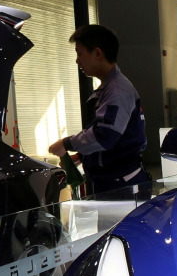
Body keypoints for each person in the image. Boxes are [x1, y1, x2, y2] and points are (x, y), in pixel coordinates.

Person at [48, 24, 151, 196]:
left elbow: (106, 135)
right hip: (112, 182)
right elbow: (117, 138)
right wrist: (82, 157)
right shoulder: (110, 88)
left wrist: (66, 144)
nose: (77, 60)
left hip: (121, 186)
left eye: (79, 53)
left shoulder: (117, 90)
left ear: (97, 53)